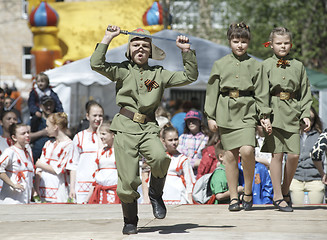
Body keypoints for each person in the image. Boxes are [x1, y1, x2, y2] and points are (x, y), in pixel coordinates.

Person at [90, 25, 198, 235]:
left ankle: (156, 193)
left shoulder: (159, 73)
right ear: (129, 50)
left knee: (160, 158)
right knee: (128, 182)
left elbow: (190, 76)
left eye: (145, 46)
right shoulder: (122, 69)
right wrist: (108, 37)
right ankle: (130, 220)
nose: (140, 49)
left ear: (150, 51)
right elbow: (96, 63)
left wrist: (185, 51)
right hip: (124, 128)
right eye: (136, 45)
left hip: (148, 127)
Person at [205, 22, 272, 211]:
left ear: (248, 42)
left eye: (243, 41)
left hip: (247, 110)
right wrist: (210, 116)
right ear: (229, 41)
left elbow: (261, 92)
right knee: (230, 155)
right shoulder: (220, 64)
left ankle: (248, 191)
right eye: (236, 41)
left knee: (248, 150)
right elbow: (212, 92)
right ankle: (234, 197)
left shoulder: (255, 66)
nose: (240, 45)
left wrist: (264, 115)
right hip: (225, 110)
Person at [260, 27, 312, 212]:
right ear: (271, 45)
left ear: (291, 44)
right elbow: (261, 92)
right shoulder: (265, 65)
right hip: (273, 111)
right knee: (277, 154)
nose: (282, 46)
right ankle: (277, 196)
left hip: (292, 112)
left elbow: (305, 92)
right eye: (278, 43)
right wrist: (263, 115)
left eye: (286, 43)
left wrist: (305, 113)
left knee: (294, 155)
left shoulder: (298, 66)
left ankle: (284, 188)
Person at [66, 101, 104, 204]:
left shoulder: (105, 137)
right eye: (94, 115)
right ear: (87, 116)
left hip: (101, 184)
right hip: (82, 185)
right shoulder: (79, 137)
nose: (97, 119)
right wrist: (72, 188)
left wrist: (99, 132)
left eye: (100, 116)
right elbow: (73, 164)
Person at [34, 112, 73, 203]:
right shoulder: (48, 144)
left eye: (47, 126)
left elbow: (58, 169)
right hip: (43, 189)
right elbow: (38, 169)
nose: (46, 129)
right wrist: (36, 188)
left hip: (58, 189)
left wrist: (40, 164)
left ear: (55, 127)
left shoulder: (69, 145)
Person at [289, 107, 325, 204]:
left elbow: (321, 157)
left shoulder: (319, 136)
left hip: (315, 178)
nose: (309, 122)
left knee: (316, 210)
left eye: (312, 119)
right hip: (296, 177)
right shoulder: (292, 135)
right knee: (297, 208)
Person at [0, 123, 34, 204]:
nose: (27, 135)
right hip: (11, 200)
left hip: (24, 200)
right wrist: (13, 184)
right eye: (23, 133)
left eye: (28, 132)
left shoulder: (28, 151)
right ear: (14, 137)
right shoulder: (10, 151)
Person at [161, 126, 195, 204]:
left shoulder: (183, 159)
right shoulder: (160, 157)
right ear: (163, 141)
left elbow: (189, 179)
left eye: (176, 139)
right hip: (163, 193)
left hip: (178, 195)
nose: (174, 142)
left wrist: (190, 198)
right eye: (170, 140)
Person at [87, 120, 119, 204]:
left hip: (114, 192)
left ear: (112, 135)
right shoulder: (100, 152)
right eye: (100, 134)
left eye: (104, 134)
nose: (101, 136)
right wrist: (87, 198)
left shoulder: (119, 152)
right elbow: (96, 176)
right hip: (100, 192)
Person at [177, 110, 209, 176]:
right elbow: (179, 156)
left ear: (199, 122)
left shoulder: (206, 138)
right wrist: (194, 163)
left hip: (201, 174)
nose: (191, 123)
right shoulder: (182, 138)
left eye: (194, 120)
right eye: (188, 121)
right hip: (185, 174)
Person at [29, 95, 56, 162]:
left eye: (51, 105)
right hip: (36, 156)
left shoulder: (57, 120)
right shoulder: (35, 120)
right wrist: (42, 133)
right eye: (46, 105)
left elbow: (68, 133)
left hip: (53, 157)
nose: (49, 107)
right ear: (41, 106)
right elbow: (27, 136)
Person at [0, 110, 18, 192]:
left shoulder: (23, 144)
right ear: (1, 122)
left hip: (19, 185)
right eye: (9, 119)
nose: (12, 121)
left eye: (15, 119)